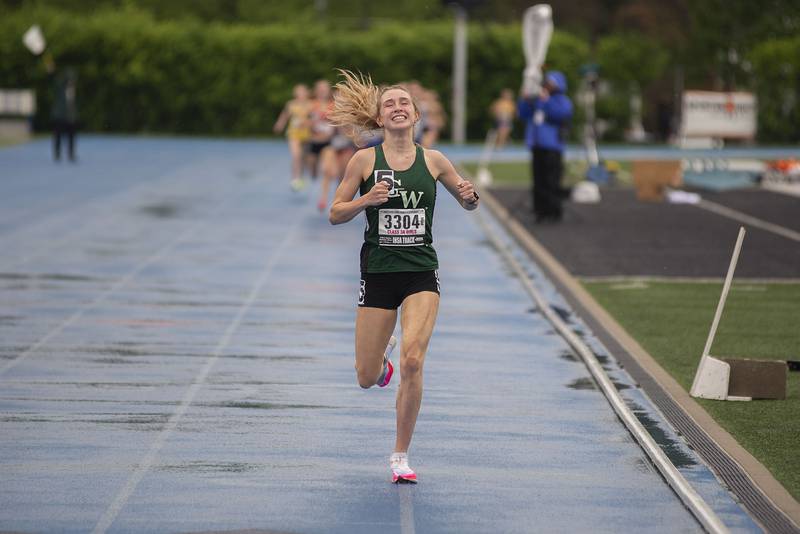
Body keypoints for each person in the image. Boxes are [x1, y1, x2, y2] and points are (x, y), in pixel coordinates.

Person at [328, 70, 479, 484]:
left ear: (416, 116)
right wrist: (366, 200)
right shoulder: (363, 161)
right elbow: (334, 213)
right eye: (389, 104)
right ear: (379, 118)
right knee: (365, 376)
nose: (397, 108)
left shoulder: (433, 160)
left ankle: (400, 456)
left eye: (404, 104)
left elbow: (468, 201)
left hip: (419, 273)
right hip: (377, 273)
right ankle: (382, 364)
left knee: (415, 359)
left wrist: (470, 197)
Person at [518, 70, 572, 222]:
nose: (547, 85)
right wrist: (526, 100)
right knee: (538, 180)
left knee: (552, 180)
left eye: (550, 83)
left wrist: (546, 101)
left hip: (553, 146)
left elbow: (561, 114)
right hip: (537, 145)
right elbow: (523, 114)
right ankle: (540, 211)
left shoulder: (561, 100)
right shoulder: (538, 99)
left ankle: (554, 211)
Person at [273, 84, 312, 191]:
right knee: (296, 155)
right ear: (295, 94)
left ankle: (301, 175)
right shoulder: (290, 104)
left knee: (303, 157)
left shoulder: (310, 105)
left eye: (303, 92)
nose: (301, 95)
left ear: (307, 93)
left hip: (307, 134)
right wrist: (279, 124)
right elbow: (284, 116)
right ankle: (295, 178)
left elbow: (315, 118)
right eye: (298, 92)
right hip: (293, 134)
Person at [307, 79, 336, 181]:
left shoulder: (333, 105)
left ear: (329, 91)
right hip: (314, 140)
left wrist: (330, 119)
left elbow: (337, 122)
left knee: (326, 168)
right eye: (320, 88)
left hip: (327, 141)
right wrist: (312, 122)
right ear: (316, 90)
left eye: (325, 88)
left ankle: (324, 192)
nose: (323, 90)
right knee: (312, 167)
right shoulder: (311, 104)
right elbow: (304, 121)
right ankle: (313, 171)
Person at [51, 66, 79, 162]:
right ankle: (57, 154)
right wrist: (51, 70)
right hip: (60, 116)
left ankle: (71, 154)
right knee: (58, 136)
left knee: (72, 136)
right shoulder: (60, 86)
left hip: (70, 116)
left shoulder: (73, 89)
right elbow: (54, 79)